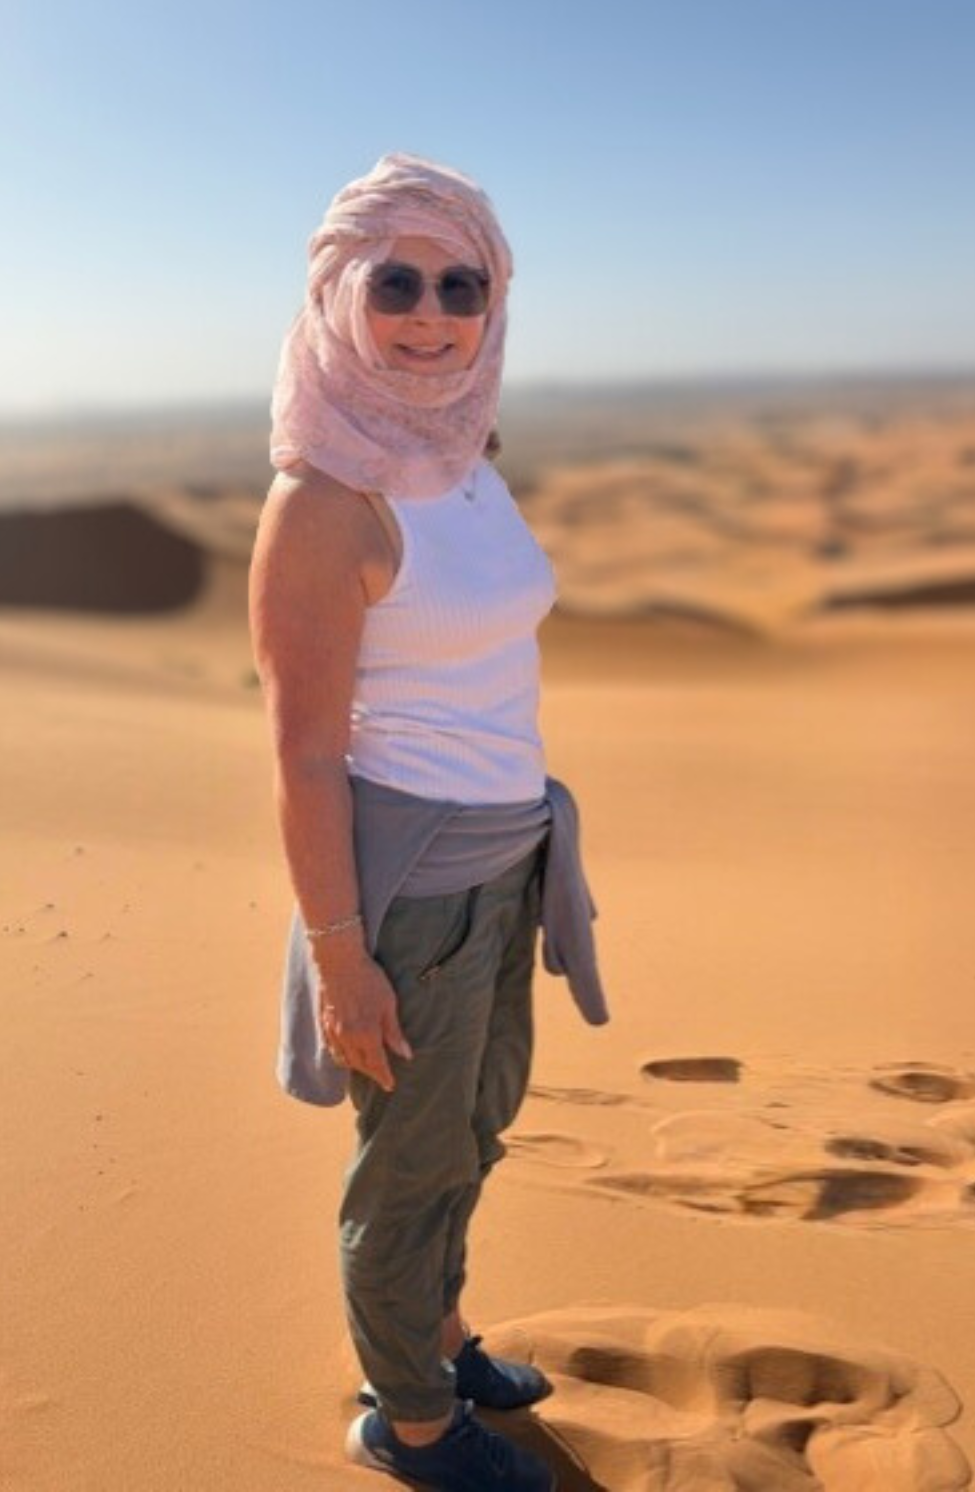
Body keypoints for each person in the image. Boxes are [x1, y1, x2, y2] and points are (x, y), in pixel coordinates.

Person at [249, 152, 608, 1492]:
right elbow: (299, 754)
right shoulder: (325, 501)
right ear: (338, 290)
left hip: (508, 865)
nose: (429, 311)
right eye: (393, 279)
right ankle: (408, 1421)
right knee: (405, 1168)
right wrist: (342, 958)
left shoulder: (461, 454)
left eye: (462, 281)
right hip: (408, 891)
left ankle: (439, 1334)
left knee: (472, 1129)